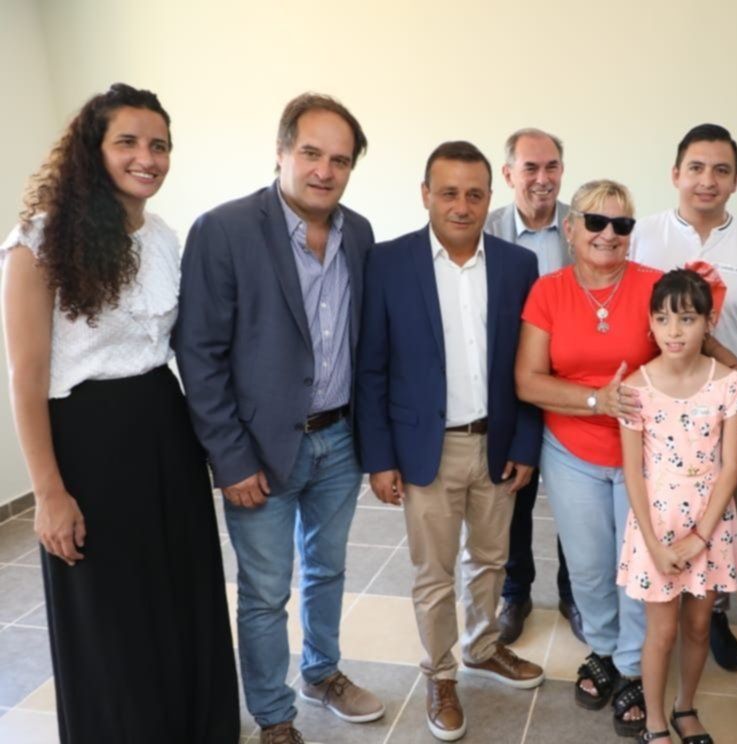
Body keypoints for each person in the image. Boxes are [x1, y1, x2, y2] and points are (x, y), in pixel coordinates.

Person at [0, 83, 239, 743]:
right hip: (88, 441)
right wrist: (49, 493)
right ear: (92, 149)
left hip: (164, 425)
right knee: (111, 610)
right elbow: (25, 378)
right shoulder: (38, 242)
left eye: (159, 145)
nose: (147, 158)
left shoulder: (164, 238)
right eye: (127, 142)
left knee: (182, 591)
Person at [516, 179, 737, 737]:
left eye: (622, 224)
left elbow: (699, 335)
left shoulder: (653, 285)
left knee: (643, 567)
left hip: (655, 463)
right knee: (589, 565)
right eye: (596, 221)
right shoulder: (548, 292)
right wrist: (595, 400)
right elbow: (528, 381)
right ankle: (603, 650)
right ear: (570, 228)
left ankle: (632, 666)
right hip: (573, 448)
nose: (608, 233)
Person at [175, 93, 382, 744]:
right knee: (265, 592)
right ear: (281, 151)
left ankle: (322, 672)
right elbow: (199, 354)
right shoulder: (225, 229)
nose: (325, 170)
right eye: (311, 153)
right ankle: (274, 714)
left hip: (339, 439)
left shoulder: (359, 233)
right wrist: (230, 458)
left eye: (340, 160)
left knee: (328, 569)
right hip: (260, 450)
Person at [356, 141, 545, 742]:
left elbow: (531, 363)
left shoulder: (518, 265)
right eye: (448, 193)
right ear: (425, 195)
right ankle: (440, 675)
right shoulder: (388, 263)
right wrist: (380, 458)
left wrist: (526, 443)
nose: (461, 206)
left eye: (474, 194)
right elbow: (372, 369)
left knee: (491, 559)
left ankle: (483, 647)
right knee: (433, 572)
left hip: (497, 443)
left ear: (490, 198)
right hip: (425, 450)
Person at [631, 122, 737, 671]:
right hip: (658, 402)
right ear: (675, 173)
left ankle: (711, 612)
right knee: (654, 502)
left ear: (736, 180)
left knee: (723, 508)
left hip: (726, 407)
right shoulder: (643, 236)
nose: (707, 180)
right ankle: (655, 615)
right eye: (696, 168)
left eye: (721, 170)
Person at [616, 269, 737, 744]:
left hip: (709, 525)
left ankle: (684, 706)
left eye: (687, 319)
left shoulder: (728, 383)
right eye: (662, 319)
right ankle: (654, 721)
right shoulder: (635, 387)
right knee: (663, 631)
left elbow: (731, 467)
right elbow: (633, 472)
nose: (674, 331)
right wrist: (654, 544)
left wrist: (701, 536)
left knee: (697, 626)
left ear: (709, 323)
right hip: (658, 525)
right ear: (650, 323)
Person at [484, 127, 581, 644]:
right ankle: (515, 592)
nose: (542, 178)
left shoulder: (583, 226)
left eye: (551, 167)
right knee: (513, 495)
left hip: (571, 387)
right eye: (530, 168)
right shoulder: (486, 229)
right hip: (508, 387)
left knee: (575, 498)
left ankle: (574, 593)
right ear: (508, 174)